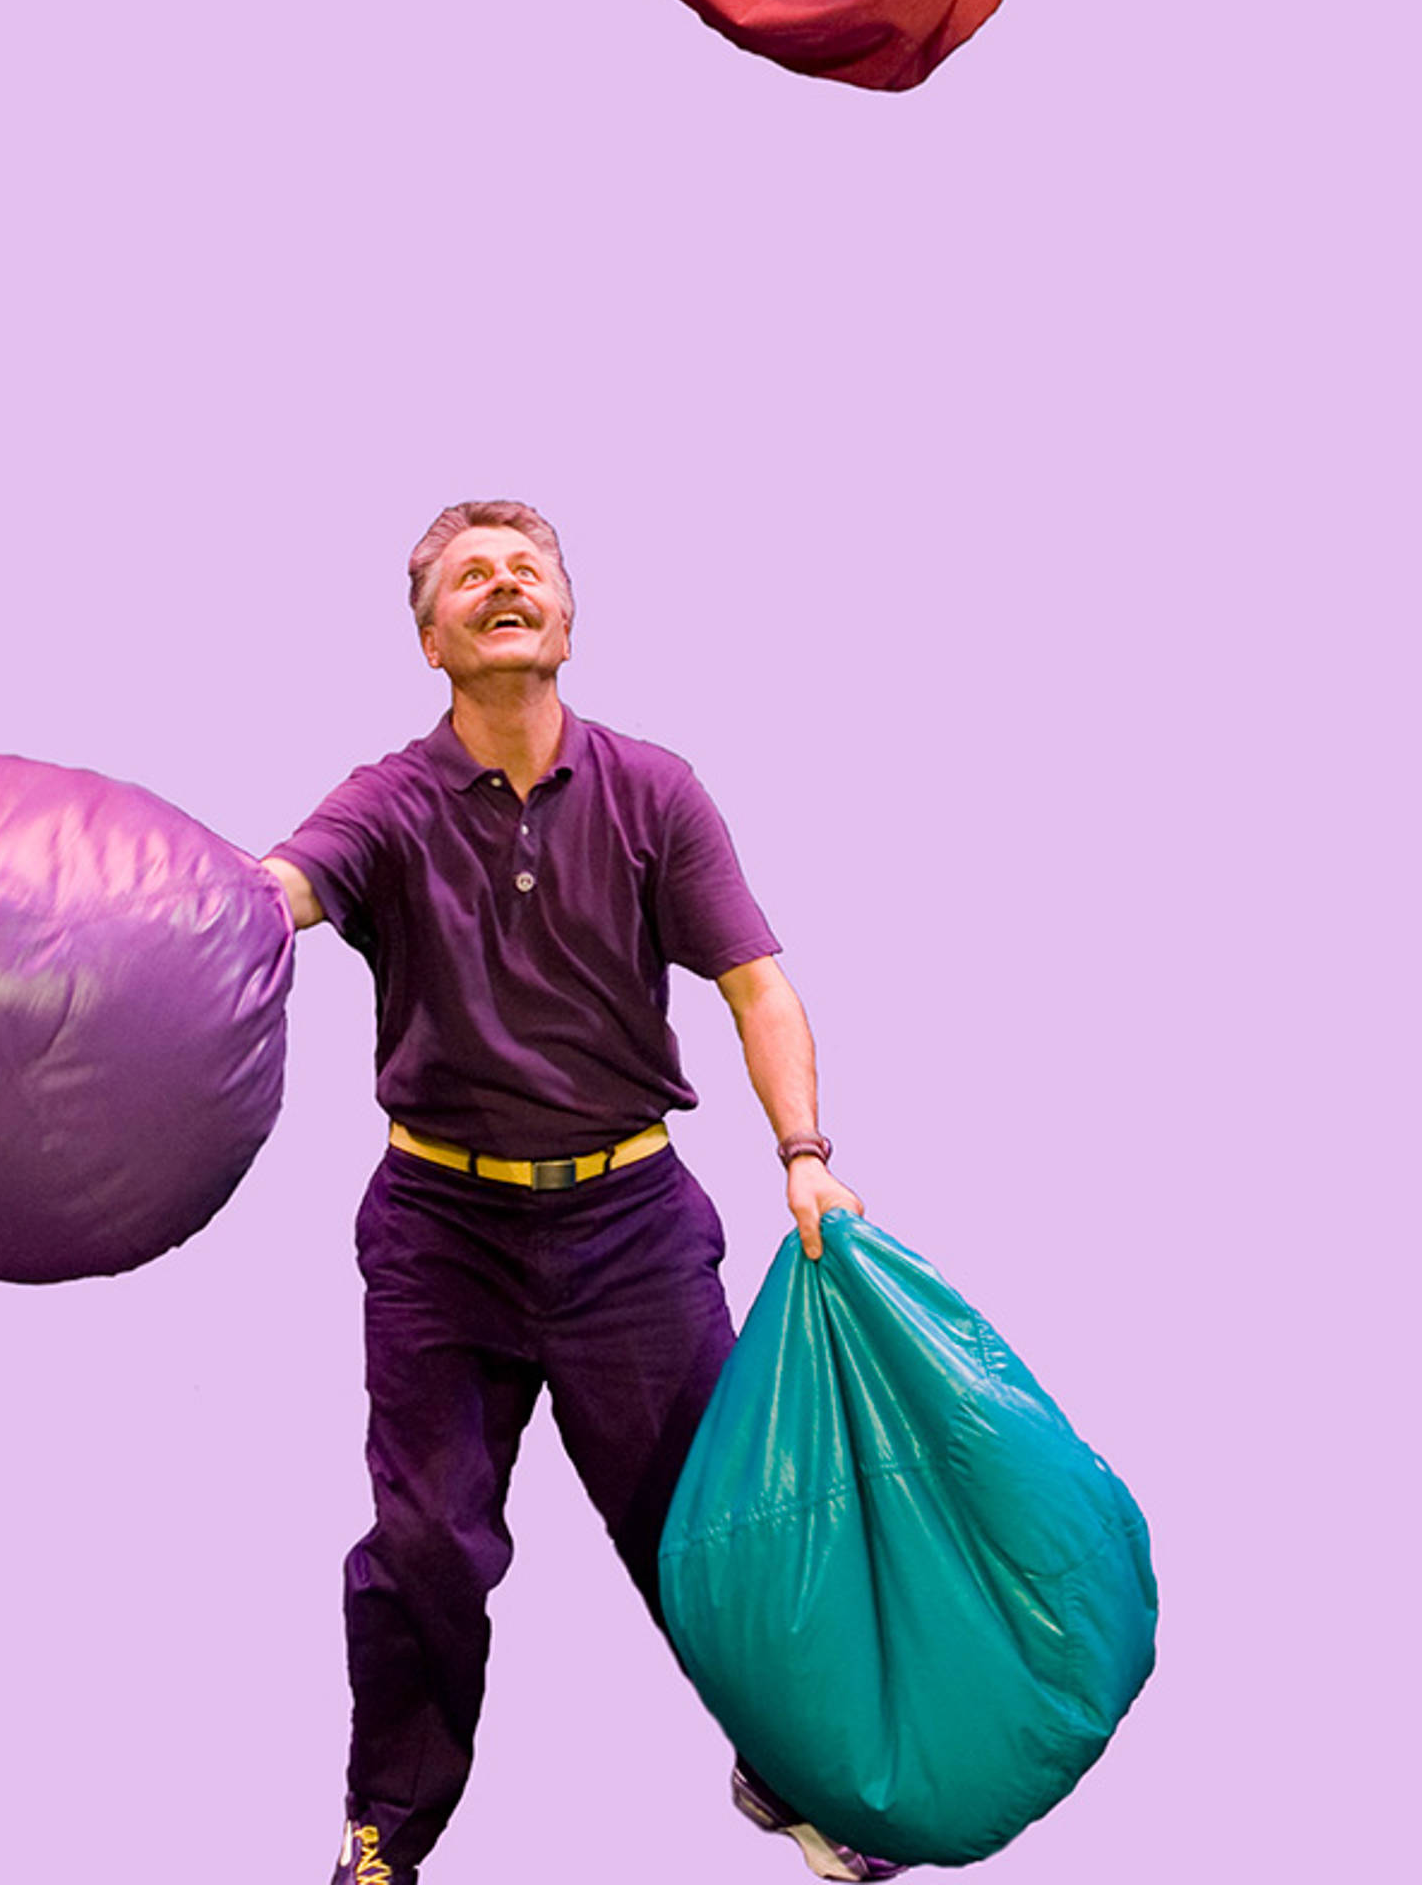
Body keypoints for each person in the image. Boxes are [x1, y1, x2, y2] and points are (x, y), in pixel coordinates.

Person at [263, 501, 906, 1885]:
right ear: (430, 637)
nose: (505, 586)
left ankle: (794, 1775)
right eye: (470, 578)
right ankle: (388, 1831)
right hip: (444, 1233)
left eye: (528, 570)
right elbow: (280, 892)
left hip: (631, 1228)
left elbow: (756, 984)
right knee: (427, 1544)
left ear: (566, 617)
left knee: (720, 1533)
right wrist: (175, 913)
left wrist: (806, 1156)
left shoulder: (654, 791)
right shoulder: (385, 803)